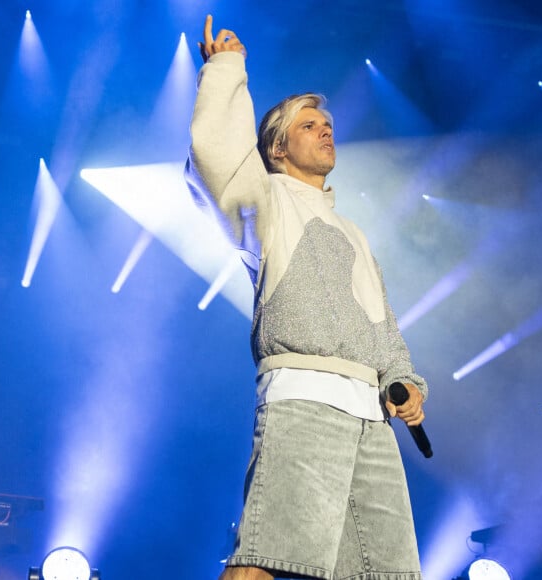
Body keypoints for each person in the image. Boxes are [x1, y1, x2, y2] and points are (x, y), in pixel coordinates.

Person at [185, 14, 428, 580]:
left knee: (389, 573)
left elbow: (383, 325)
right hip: (304, 402)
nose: (326, 131)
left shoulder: (354, 233)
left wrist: (406, 380)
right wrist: (226, 69)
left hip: (372, 421)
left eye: (328, 124)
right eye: (309, 124)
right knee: (263, 564)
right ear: (276, 148)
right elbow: (216, 157)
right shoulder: (266, 200)